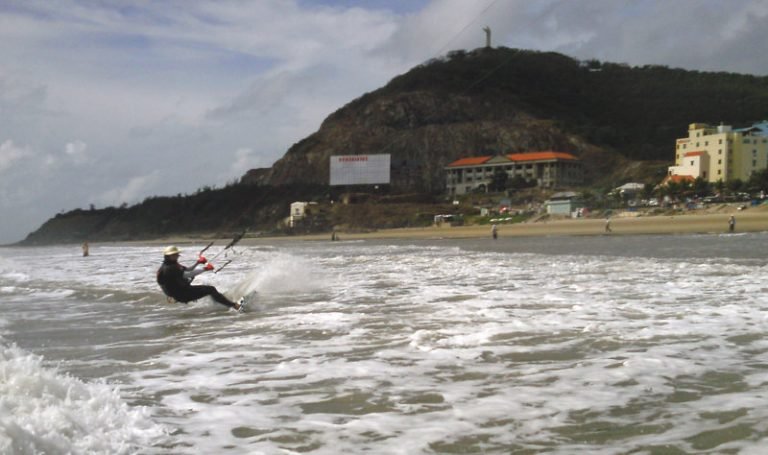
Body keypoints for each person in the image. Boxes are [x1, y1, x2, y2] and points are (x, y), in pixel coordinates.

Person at [156, 245, 243, 311]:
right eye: (173, 255)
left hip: (182, 292)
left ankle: (222, 304)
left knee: (208, 288)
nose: (176, 256)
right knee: (210, 289)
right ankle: (234, 306)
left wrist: (198, 262)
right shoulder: (169, 268)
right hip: (181, 295)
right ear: (167, 256)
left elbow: (188, 269)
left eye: (176, 254)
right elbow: (188, 275)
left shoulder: (173, 264)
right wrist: (205, 268)